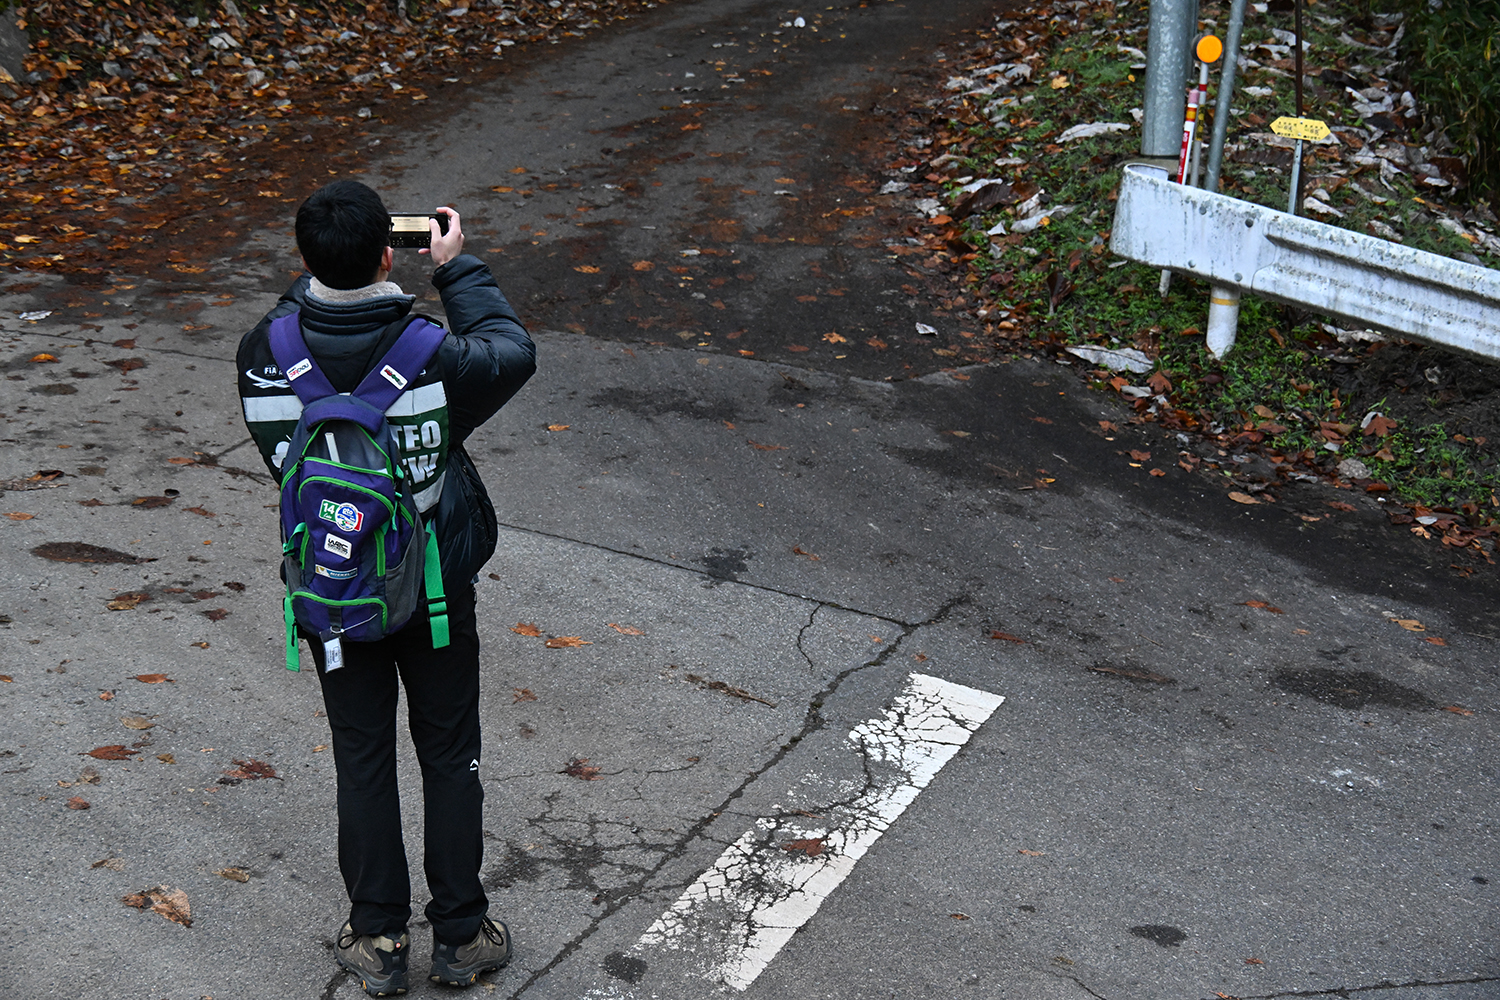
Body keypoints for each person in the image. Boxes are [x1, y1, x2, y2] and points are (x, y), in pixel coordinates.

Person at [236, 180, 536, 996]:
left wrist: (328, 284)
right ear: (386, 253)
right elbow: (512, 352)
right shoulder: (432, 351)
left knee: (361, 758)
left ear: (302, 258)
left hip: (333, 589)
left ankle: (376, 942)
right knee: (448, 754)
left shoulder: (264, 349)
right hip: (432, 590)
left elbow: (284, 457)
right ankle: (462, 936)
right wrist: (456, 269)